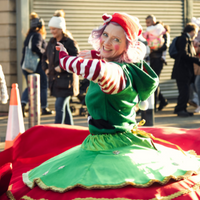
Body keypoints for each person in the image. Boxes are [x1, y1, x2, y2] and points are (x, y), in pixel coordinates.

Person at [15, 13, 200, 199]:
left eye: (116, 39)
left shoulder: (117, 72)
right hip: (111, 139)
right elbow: (108, 59)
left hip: (112, 145)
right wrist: (97, 53)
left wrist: (64, 58)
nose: (107, 42)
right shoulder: (123, 64)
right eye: (105, 35)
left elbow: (99, 70)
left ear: (127, 46)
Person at [42, 10, 79, 124]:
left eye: (54, 29)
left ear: (61, 29)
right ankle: (72, 132)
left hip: (66, 82)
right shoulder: (52, 42)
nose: (51, 31)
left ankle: (56, 132)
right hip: (55, 81)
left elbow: (77, 60)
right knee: (65, 108)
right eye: (51, 29)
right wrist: (46, 68)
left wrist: (63, 67)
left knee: (59, 106)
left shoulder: (69, 43)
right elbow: (44, 57)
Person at [21, 12, 52, 117]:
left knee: (30, 85)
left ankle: (23, 103)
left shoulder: (29, 35)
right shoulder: (38, 35)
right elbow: (35, 47)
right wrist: (45, 53)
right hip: (35, 65)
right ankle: (44, 107)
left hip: (26, 65)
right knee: (43, 84)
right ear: (40, 26)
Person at [171, 22, 200, 117]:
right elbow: (183, 54)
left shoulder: (187, 39)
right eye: (196, 32)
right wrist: (196, 60)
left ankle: (182, 108)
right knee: (184, 91)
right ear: (192, 31)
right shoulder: (184, 39)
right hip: (182, 70)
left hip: (184, 70)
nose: (196, 35)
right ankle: (180, 109)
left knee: (185, 91)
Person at [145, 15, 168, 111]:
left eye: (148, 22)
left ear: (153, 22)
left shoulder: (163, 32)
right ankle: (163, 101)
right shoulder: (148, 33)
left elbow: (165, 46)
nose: (147, 24)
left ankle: (153, 106)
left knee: (154, 81)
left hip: (159, 60)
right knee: (154, 81)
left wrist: (155, 47)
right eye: (146, 23)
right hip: (151, 59)